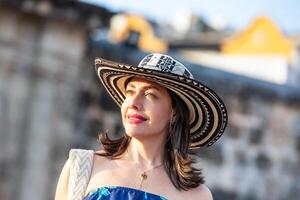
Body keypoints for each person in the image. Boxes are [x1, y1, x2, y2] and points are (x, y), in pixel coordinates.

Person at [55, 53, 228, 200]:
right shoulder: (81, 166)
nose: (134, 103)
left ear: (174, 112)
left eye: (149, 94)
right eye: (130, 92)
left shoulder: (197, 196)